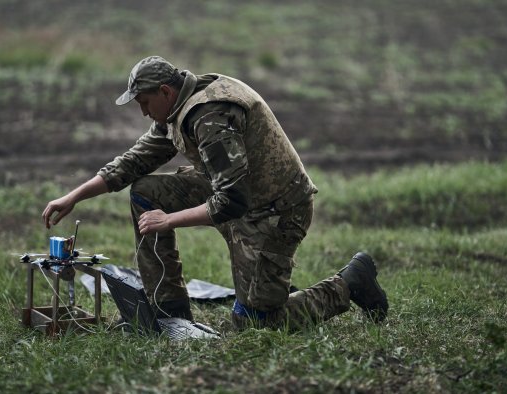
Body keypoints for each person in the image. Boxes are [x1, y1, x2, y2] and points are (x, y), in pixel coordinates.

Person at [42, 56, 388, 330]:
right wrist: (73, 196)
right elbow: (133, 163)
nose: (144, 112)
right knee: (146, 190)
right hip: (235, 198)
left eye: (145, 102)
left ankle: (347, 285)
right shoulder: (177, 108)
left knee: (256, 324)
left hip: (274, 212)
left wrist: (169, 220)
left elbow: (231, 200)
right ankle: (168, 310)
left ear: (165, 91)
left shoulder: (209, 116)